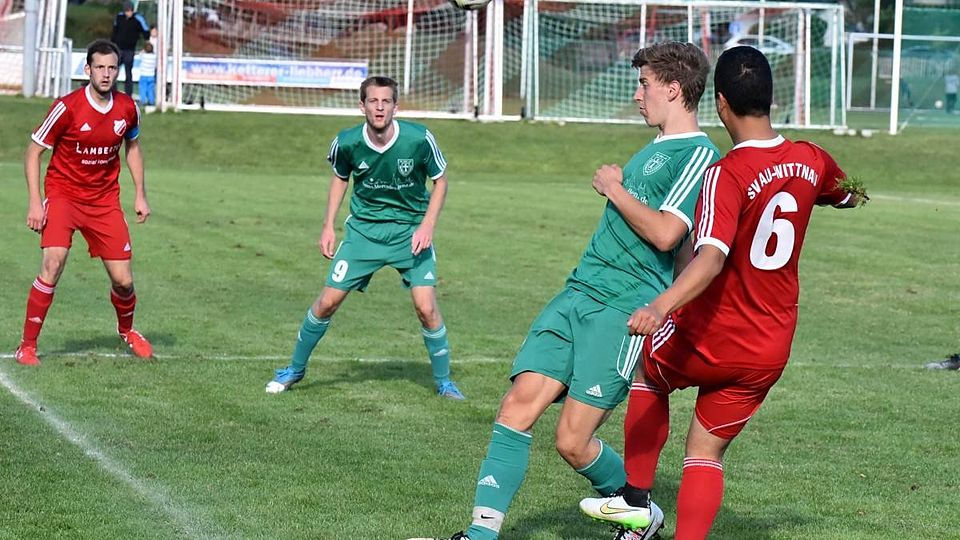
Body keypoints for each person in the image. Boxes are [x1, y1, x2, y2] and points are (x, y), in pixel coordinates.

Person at [434, 42, 719, 540]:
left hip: (621, 309)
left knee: (571, 440)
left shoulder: (699, 154)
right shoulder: (654, 146)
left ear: (674, 89)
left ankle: (641, 513)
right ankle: (480, 534)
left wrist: (615, 188)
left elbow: (668, 235)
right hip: (578, 292)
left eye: (645, 85)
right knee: (516, 406)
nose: (637, 95)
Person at [578, 46, 862, 540]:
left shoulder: (725, 174)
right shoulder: (811, 158)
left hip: (714, 334)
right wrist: (840, 195)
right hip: (768, 348)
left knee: (648, 369)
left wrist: (659, 305)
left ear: (721, 103)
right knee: (704, 453)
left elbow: (710, 258)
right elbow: (849, 193)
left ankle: (635, 500)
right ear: (770, 98)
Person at [265, 75, 465, 400]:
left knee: (426, 308)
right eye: (373, 101)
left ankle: (444, 382)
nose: (380, 107)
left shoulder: (418, 139)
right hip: (363, 233)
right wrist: (328, 226)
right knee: (327, 303)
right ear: (362, 106)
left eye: (386, 101)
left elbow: (440, 181)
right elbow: (340, 177)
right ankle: (294, 369)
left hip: (409, 234)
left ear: (396, 107)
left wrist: (427, 225)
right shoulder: (347, 142)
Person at [15, 39, 153, 366]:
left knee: (123, 281)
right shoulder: (67, 107)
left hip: (104, 201)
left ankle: (127, 331)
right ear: (87, 69)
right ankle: (27, 346)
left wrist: (140, 193)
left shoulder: (127, 108)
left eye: (111, 68)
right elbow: (33, 152)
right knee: (53, 264)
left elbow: (132, 148)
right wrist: (35, 202)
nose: (106, 74)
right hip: (64, 195)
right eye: (99, 67)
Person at [111, 0, 150, 96]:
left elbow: (145, 31)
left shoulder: (138, 18)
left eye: (131, 11)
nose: (129, 13)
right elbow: (114, 31)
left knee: (128, 72)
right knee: (113, 71)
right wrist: (112, 45)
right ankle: (112, 92)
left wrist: (147, 42)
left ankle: (128, 95)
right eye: (127, 11)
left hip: (129, 50)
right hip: (118, 49)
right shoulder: (119, 17)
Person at [138, 41, 156, 106]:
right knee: (150, 90)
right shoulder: (154, 56)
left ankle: (143, 101)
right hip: (151, 75)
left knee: (143, 89)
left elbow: (140, 53)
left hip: (143, 75)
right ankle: (151, 101)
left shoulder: (143, 55)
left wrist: (143, 50)